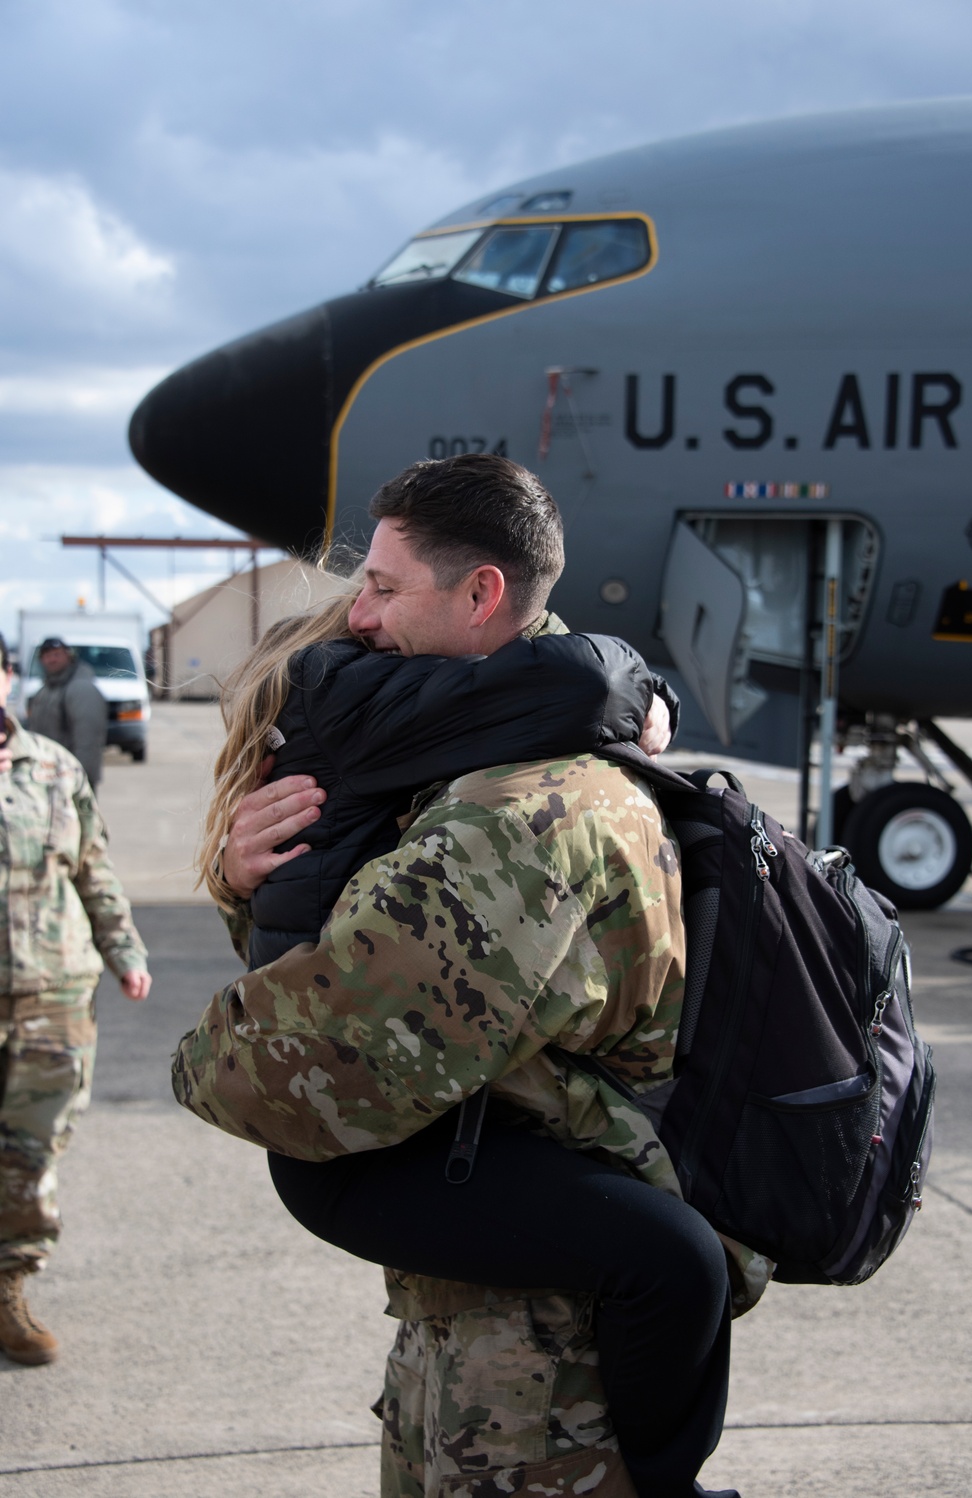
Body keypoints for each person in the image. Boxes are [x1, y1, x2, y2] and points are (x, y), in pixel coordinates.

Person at [175, 456, 770, 1497]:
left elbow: (311, 1067)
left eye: (385, 587)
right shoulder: (475, 738)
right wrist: (248, 880)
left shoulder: (513, 815)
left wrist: (198, 1057)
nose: (358, 614)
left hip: (538, 1379)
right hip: (479, 1297)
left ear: (481, 594)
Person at [0, 631, 151, 1365]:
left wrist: (123, 950)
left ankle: (9, 1293)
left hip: (53, 993)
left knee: (31, 1152)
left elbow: (93, 867)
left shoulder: (54, 769)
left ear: (8, 678)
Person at [27, 637, 107, 792]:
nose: (52, 659)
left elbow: (88, 740)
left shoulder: (80, 688)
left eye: (57, 654)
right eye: (47, 655)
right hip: (48, 777)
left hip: (71, 780)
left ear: (68, 656)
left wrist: (80, 778)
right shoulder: (45, 690)